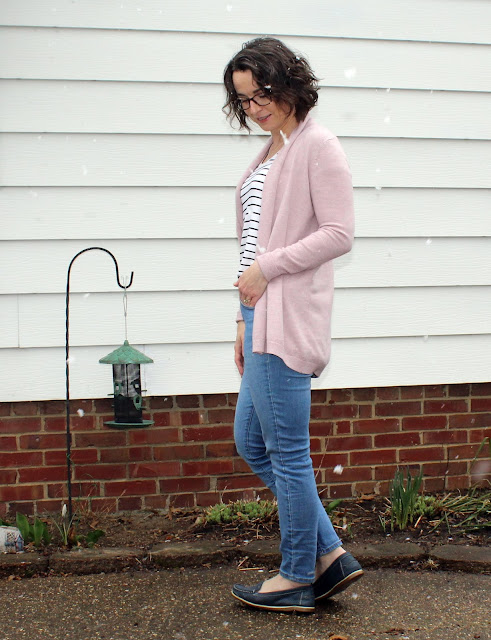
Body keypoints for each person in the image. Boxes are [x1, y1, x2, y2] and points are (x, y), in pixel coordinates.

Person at [223, 37, 362, 614]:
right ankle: (330, 555)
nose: (254, 108)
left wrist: (268, 270)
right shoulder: (271, 152)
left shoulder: (317, 145)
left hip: (286, 313)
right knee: (252, 442)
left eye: (261, 94)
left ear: (288, 84)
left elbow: (339, 233)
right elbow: (252, 246)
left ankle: (297, 575)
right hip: (258, 313)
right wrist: (241, 318)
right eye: (244, 100)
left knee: (286, 452)